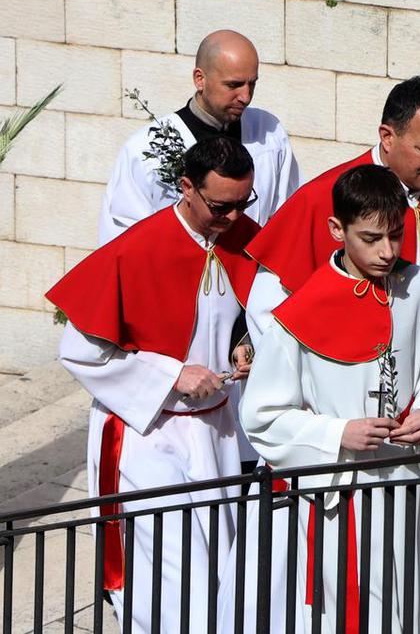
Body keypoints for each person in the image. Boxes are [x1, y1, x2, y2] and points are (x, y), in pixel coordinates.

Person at [48, 136, 261, 634]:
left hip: (218, 429)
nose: (233, 217)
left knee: (218, 569)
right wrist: (172, 374)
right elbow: (79, 351)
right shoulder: (137, 249)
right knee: (167, 579)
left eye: (242, 203)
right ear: (186, 188)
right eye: (220, 205)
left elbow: (250, 311)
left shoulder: (243, 235)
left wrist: (247, 343)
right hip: (149, 434)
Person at [240, 164, 420, 634]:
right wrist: (339, 433)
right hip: (345, 495)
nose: (387, 252)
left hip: (409, 480)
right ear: (337, 229)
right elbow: (261, 419)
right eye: (371, 238)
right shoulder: (296, 316)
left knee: (416, 605)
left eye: (396, 236)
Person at [242, 76, 420, 441]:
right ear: (388, 137)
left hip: (416, 426)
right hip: (341, 423)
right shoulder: (322, 200)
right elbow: (268, 312)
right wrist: (323, 415)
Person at [99, 29, 299, 243]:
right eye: (233, 85)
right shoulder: (146, 150)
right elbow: (124, 238)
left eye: (252, 84)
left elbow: (289, 218)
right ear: (200, 79)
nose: (245, 97)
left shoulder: (269, 133)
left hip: (251, 272)